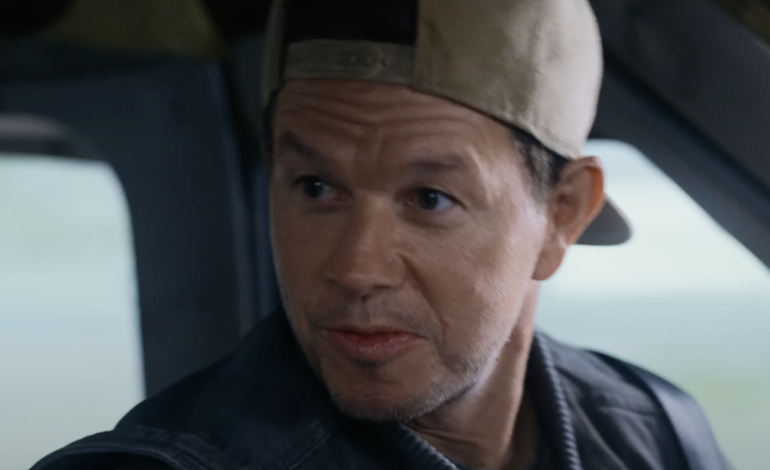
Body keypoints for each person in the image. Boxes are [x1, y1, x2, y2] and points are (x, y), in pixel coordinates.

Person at [32, 0, 730, 469]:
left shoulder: (657, 433)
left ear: (563, 214)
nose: (356, 268)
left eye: (429, 199)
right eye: (316, 188)